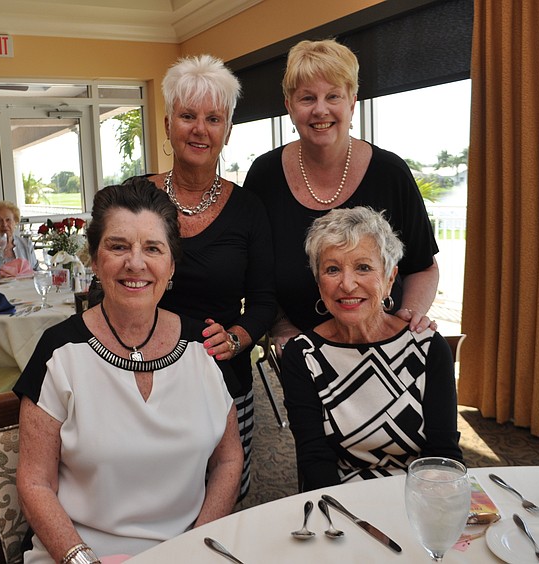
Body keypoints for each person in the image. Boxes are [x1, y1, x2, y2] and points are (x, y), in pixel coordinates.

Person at [14, 179, 243, 561]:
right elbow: (35, 482)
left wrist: (198, 549)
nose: (135, 262)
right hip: (79, 554)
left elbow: (229, 459)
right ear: (94, 260)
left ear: (171, 266)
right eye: (118, 246)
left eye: (152, 248)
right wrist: (82, 558)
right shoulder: (59, 352)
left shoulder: (203, 347)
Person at [125, 54, 277, 501]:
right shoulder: (135, 197)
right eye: (188, 116)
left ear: (227, 130)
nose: (200, 129)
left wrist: (236, 339)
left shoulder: (249, 209)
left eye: (213, 118)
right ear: (168, 123)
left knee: (223, 499)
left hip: (222, 382)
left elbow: (265, 301)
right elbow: (107, 287)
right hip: (140, 378)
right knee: (147, 499)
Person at [242, 38, 439, 346]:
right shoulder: (263, 176)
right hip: (300, 351)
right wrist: (280, 326)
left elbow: (423, 267)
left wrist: (405, 319)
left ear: (352, 103)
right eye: (307, 98)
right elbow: (257, 275)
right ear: (289, 107)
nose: (320, 110)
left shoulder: (391, 172)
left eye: (333, 96)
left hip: (381, 344)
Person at [281, 207, 461, 492]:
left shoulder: (426, 347)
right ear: (318, 282)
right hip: (340, 500)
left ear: (390, 278)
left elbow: (443, 455)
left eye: (363, 267)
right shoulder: (303, 356)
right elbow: (314, 460)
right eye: (332, 269)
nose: (348, 284)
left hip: (418, 497)